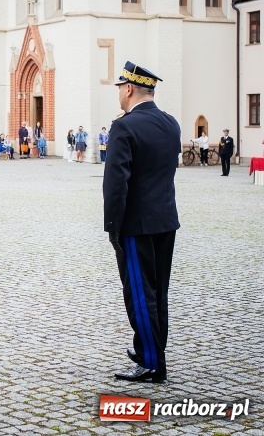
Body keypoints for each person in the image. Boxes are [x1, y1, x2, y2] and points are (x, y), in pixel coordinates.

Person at [104, 61, 181, 383]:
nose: (120, 93)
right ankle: (151, 350)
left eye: (121, 87)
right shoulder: (170, 123)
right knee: (157, 292)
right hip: (165, 219)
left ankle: (151, 363)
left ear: (129, 89)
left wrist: (113, 228)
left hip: (136, 224)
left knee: (139, 293)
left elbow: (115, 183)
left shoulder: (124, 126)